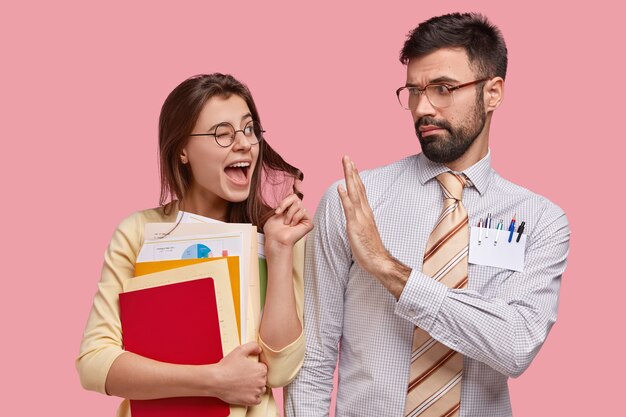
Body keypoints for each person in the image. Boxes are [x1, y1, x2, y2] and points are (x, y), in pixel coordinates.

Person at [286, 12, 570, 417]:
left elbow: (514, 345)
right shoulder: (352, 200)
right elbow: (313, 357)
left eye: (443, 88)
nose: (422, 108)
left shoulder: (541, 220)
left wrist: (387, 269)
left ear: (493, 92)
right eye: (414, 91)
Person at [77, 73, 313, 417]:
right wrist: (213, 380)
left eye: (249, 129)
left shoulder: (281, 234)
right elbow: (95, 362)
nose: (244, 143)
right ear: (183, 150)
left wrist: (278, 252)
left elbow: (278, 369)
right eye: (222, 134)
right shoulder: (138, 232)